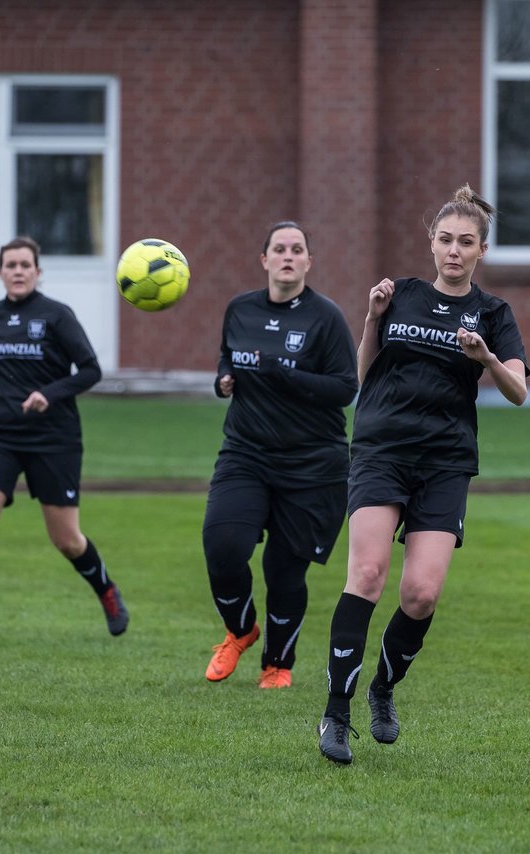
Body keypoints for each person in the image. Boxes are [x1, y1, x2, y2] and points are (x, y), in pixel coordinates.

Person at [316, 185, 529, 764]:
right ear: (430, 244)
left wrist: (484, 357)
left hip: (445, 460)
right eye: (445, 240)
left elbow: (519, 391)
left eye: (466, 242)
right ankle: (337, 713)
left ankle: (383, 689)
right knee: (366, 572)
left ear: (481, 250)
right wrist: (371, 318)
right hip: (381, 448)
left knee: (421, 594)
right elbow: (364, 374)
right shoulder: (400, 296)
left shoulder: (493, 313)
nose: (454, 251)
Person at [0, 236, 128, 647]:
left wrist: (49, 394)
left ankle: (106, 590)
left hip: (54, 438)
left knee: (67, 539)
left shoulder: (57, 316)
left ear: (38, 272)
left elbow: (91, 371)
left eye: (25, 265)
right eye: (10, 265)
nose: (18, 271)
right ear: (0, 272)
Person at [202, 221, 357, 689]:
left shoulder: (325, 318)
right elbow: (228, 358)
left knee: (284, 572)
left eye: (297, 249)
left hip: (312, 463)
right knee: (223, 546)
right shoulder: (240, 309)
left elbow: (345, 389)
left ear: (308, 262)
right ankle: (241, 629)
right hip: (246, 453)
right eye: (279, 249)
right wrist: (224, 379)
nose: (288, 256)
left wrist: (283, 374)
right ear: (264, 260)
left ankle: (277, 664)